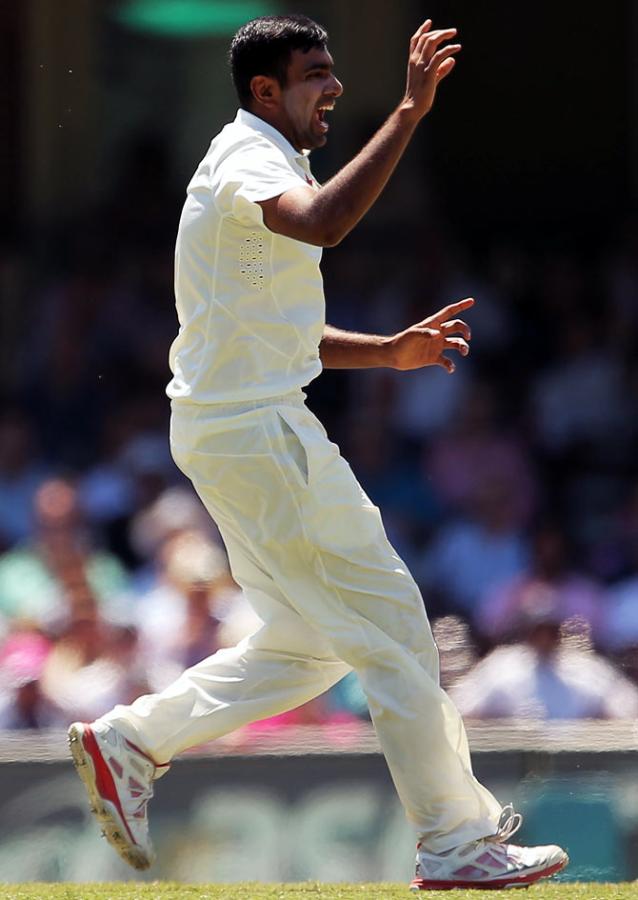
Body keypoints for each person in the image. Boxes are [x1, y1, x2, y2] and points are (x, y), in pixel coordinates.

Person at [68, 14, 567, 890]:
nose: (333, 86)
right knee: (394, 626)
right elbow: (328, 223)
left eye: (334, 70)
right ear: (266, 90)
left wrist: (386, 350)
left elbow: (274, 329)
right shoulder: (250, 157)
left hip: (239, 426)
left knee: (311, 643)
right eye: (315, 74)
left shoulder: (260, 159)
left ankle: (132, 740)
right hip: (257, 431)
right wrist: (410, 111)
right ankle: (456, 841)